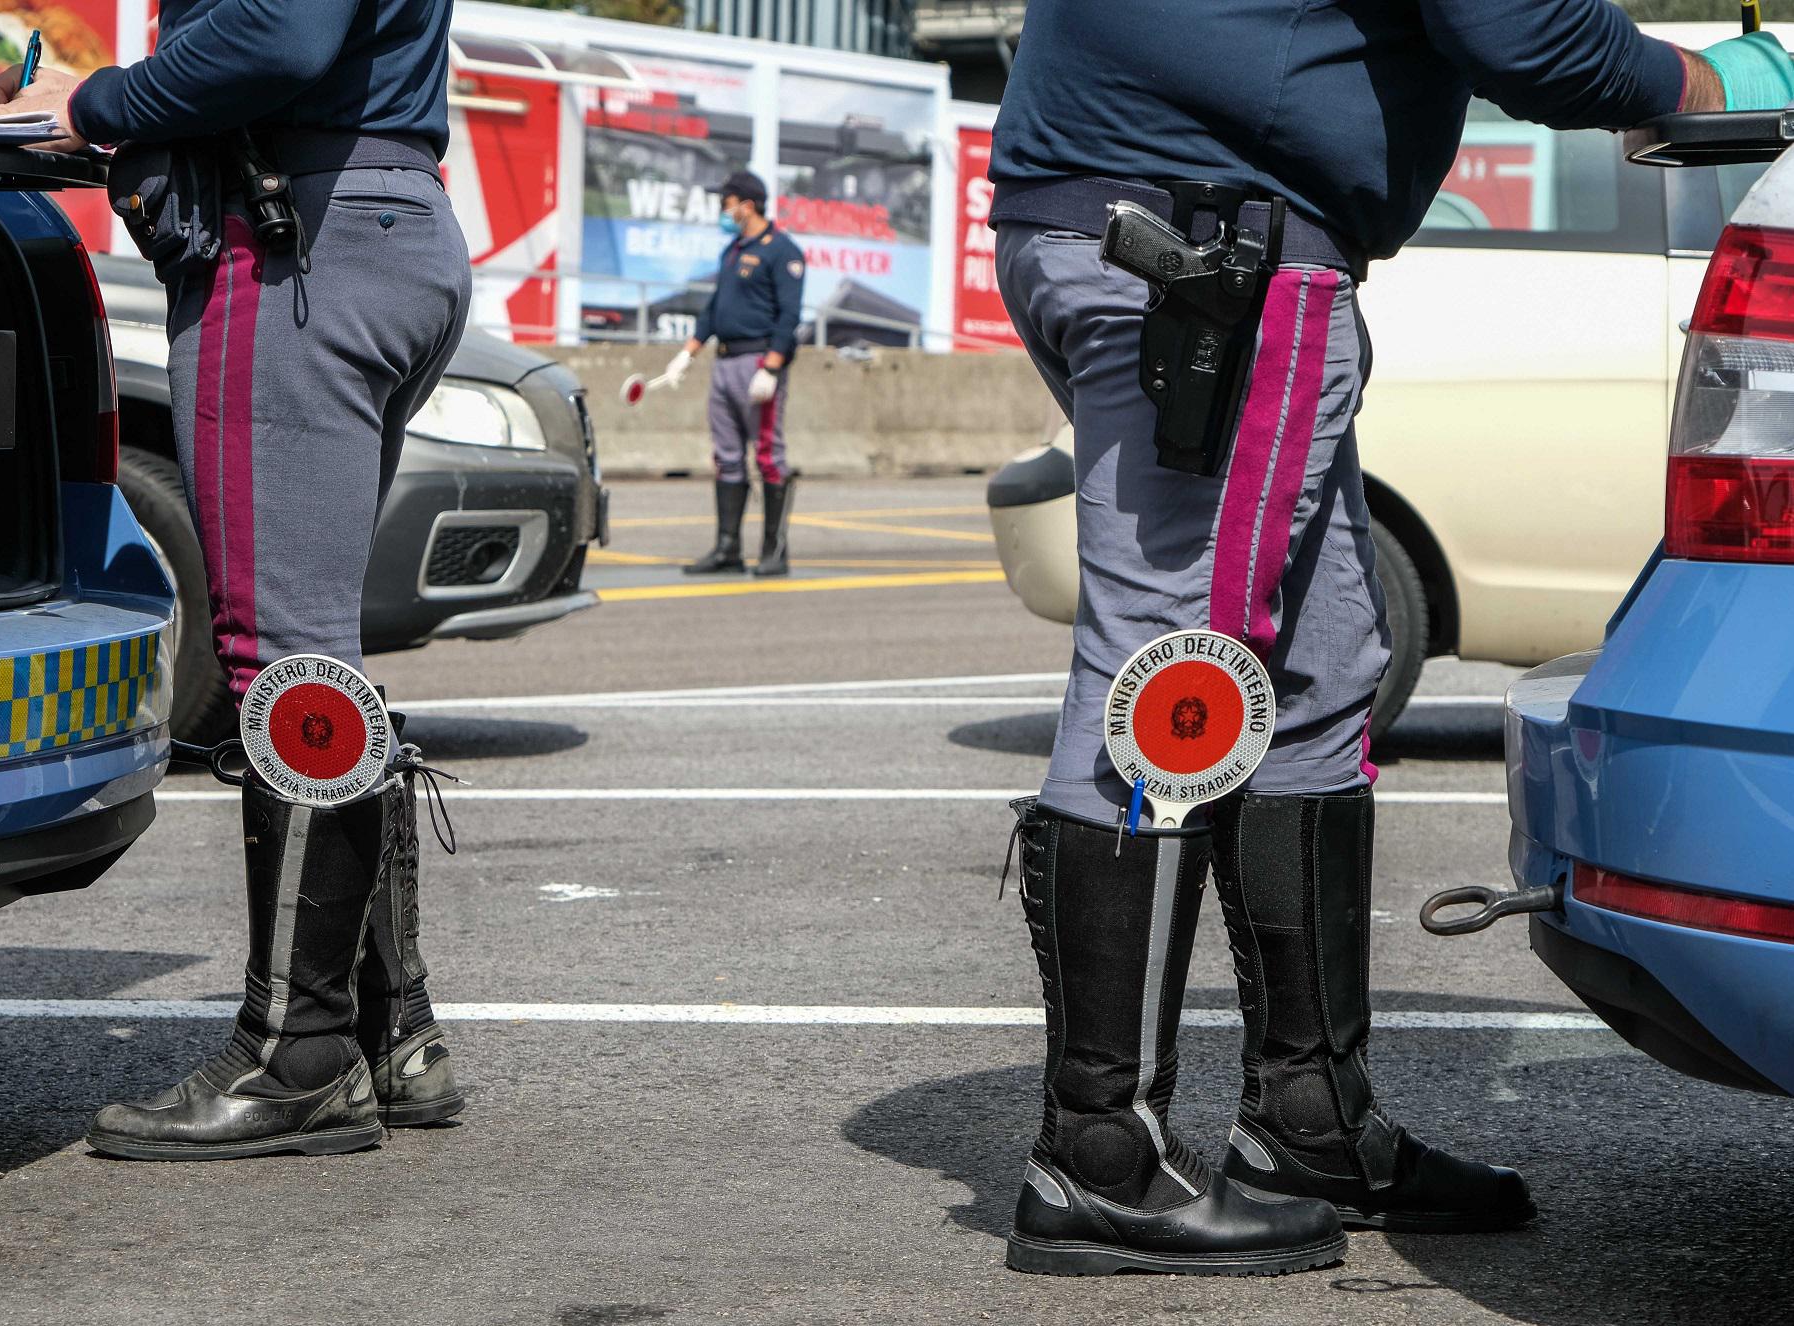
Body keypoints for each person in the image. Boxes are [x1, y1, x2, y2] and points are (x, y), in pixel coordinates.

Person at [989, 3, 1794, 1276]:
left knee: (1319, 672)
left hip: (1133, 218)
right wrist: (1706, 73)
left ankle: (1309, 1120)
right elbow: (1522, 32)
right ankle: (1098, 1154)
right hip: (1210, 252)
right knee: (1172, 687)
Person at [0, 0, 474, 1159]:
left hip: (292, 242)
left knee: (279, 664)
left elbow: (277, 36)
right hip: (377, 219)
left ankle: (299, 1059)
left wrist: (93, 102)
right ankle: (393, 1033)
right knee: (313, 657)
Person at [668, 171, 806, 578]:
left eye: (726, 203)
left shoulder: (782, 251)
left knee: (767, 456)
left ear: (747, 205)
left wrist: (772, 367)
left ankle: (774, 551)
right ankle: (728, 548)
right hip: (724, 363)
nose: (723, 211)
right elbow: (714, 309)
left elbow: (790, 315)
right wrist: (687, 353)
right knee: (726, 457)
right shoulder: (732, 251)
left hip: (757, 364)